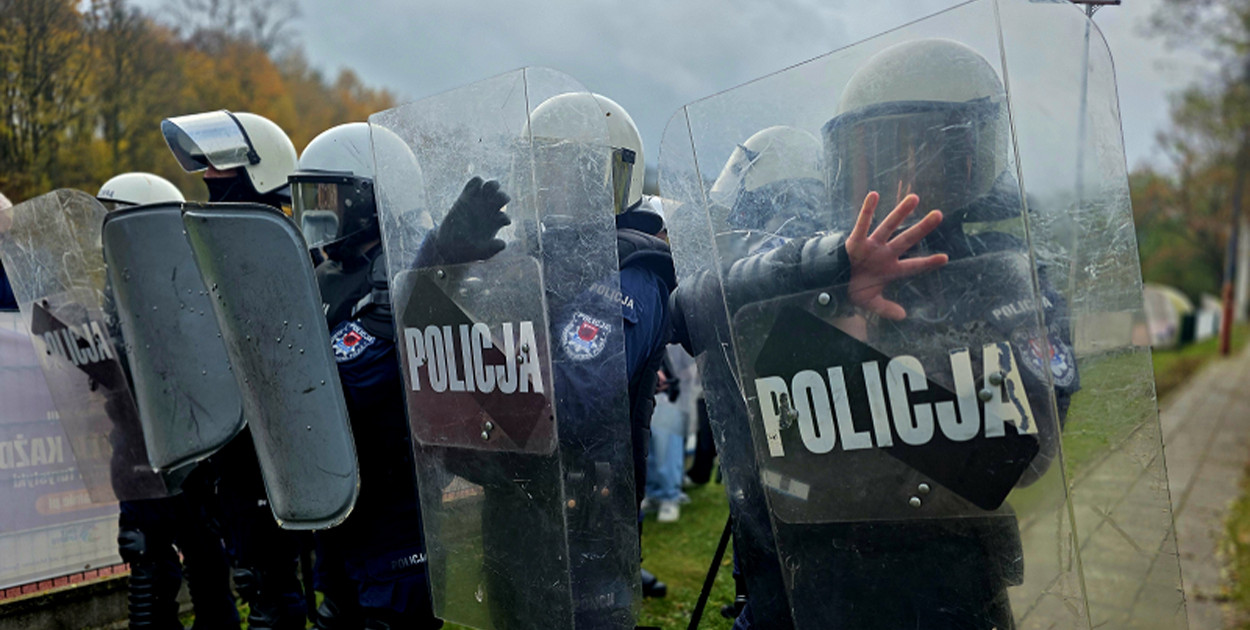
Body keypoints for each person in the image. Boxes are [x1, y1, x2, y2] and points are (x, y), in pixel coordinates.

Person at [290, 122, 441, 629]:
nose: (317, 210)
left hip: (395, 512)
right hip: (338, 505)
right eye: (312, 195)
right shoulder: (324, 275)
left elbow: (346, 380)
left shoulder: (404, 277)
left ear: (370, 199)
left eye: (330, 196)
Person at [162, 109, 309, 630]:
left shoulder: (290, 257)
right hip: (230, 457)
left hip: (280, 458)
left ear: (262, 176)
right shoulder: (210, 259)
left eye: (221, 176)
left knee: (275, 587)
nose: (208, 184)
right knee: (252, 580)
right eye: (205, 175)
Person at [95, 173, 241, 630]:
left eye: (121, 219)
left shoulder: (185, 286)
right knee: (146, 558)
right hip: (135, 452)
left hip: (187, 455)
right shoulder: (116, 285)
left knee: (203, 555)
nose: (111, 231)